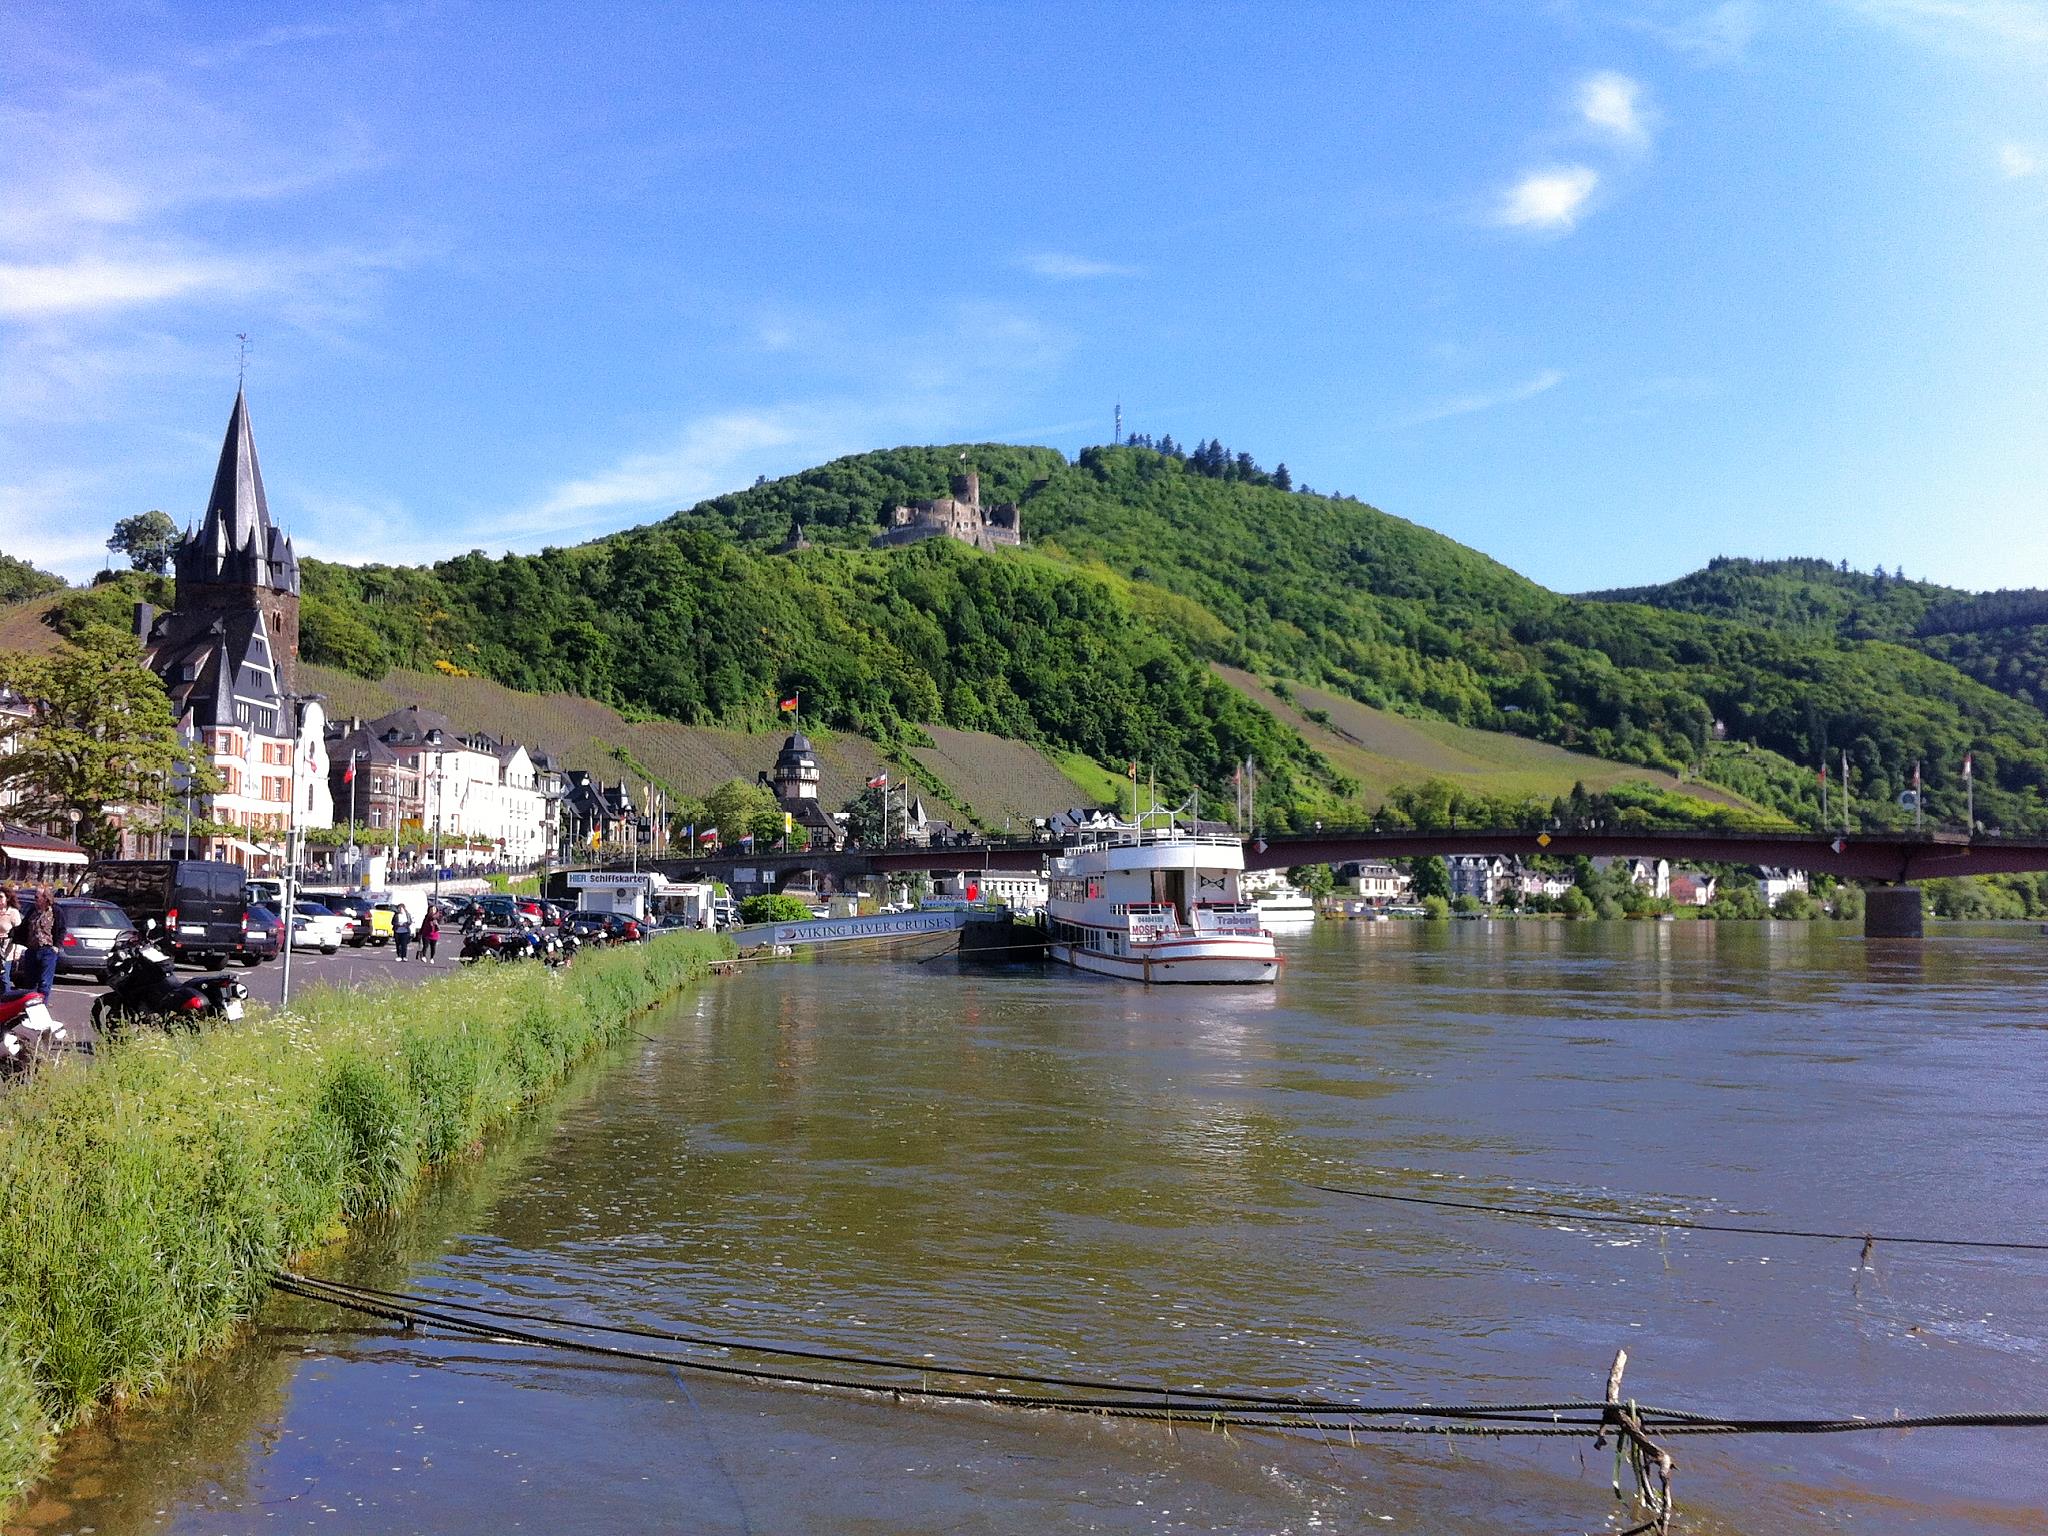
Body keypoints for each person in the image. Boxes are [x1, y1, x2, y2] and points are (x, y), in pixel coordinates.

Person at [17, 886, 64, 999]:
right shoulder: (33, 910)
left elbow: (61, 929)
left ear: (45, 898)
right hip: (32, 950)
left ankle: (42, 1006)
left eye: (37, 897)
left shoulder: (55, 910)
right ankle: (29, 1007)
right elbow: (23, 927)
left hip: (47, 950)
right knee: (30, 982)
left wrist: (56, 946)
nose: (35, 899)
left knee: (44, 982)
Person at [0, 888, 20, 980]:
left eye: (1, 897)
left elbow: (19, 932)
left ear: (7, 898)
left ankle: (6, 993)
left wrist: (17, 951)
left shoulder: (13, 913)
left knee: (4, 978)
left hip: (6, 951)